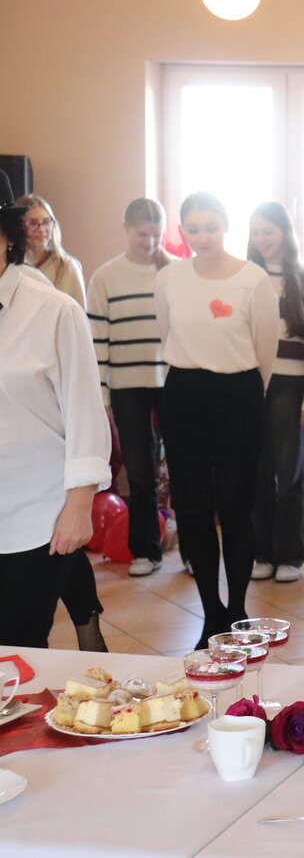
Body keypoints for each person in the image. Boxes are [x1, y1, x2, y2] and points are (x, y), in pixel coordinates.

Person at [155, 192, 280, 648]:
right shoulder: (169, 278)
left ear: (226, 226)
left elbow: (265, 351)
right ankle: (211, 613)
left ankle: (237, 612)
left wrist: (239, 389)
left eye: (211, 227)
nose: (202, 237)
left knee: (235, 505)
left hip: (239, 395)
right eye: (193, 229)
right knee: (192, 508)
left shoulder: (253, 279)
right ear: (182, 231)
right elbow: (167, 334)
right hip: (184, 395)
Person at [0, 174, 111, 648]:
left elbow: (86, 415)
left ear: (9, 239)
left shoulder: (56, 312)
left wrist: (79, 508)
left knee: (20, 645)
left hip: (36, 513)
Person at [87, 198, 173, 578]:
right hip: (126, 386)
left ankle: (193, 551)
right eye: (142, 234)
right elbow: (97, 341)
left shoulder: (174, 271)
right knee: (140, 473)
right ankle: (146, 551)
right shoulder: (105, 276)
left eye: (156, 235)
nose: (149, 242)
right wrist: (103, 395)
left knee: (185, 469)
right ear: (126, 228)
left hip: (172, 383)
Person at [245, 202, 304, 584]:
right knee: (257, 472)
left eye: (269, 231)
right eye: (256, 232)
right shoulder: (243, 277)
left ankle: (290, 556)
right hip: (251, 385)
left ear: (285, 234)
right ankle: (262, 554)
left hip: (292, 387)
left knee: (289, 473)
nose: (263, 239)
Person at [17, 194, 86, 307]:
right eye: (33, 223)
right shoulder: (10, 266)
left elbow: (80, 313)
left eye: (46, 222)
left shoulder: (67, 266)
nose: (41, 229)